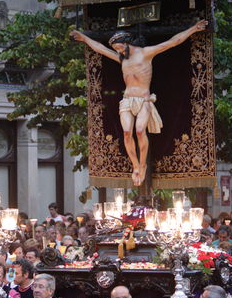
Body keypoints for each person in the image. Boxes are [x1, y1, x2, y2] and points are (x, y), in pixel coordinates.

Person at [70, 19, 208, 186]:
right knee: (127, 132)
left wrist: (193, 29)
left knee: (140, 130)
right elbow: (101, 49)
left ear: (127, 43)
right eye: (116, 49)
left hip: (143, 100)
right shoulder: (122, 59)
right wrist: (84, 38)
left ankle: (142, 164)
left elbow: (173, 42)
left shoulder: (145, 53)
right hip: (127, 100)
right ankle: (135, 166)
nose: (118, 50)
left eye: (119, 47)